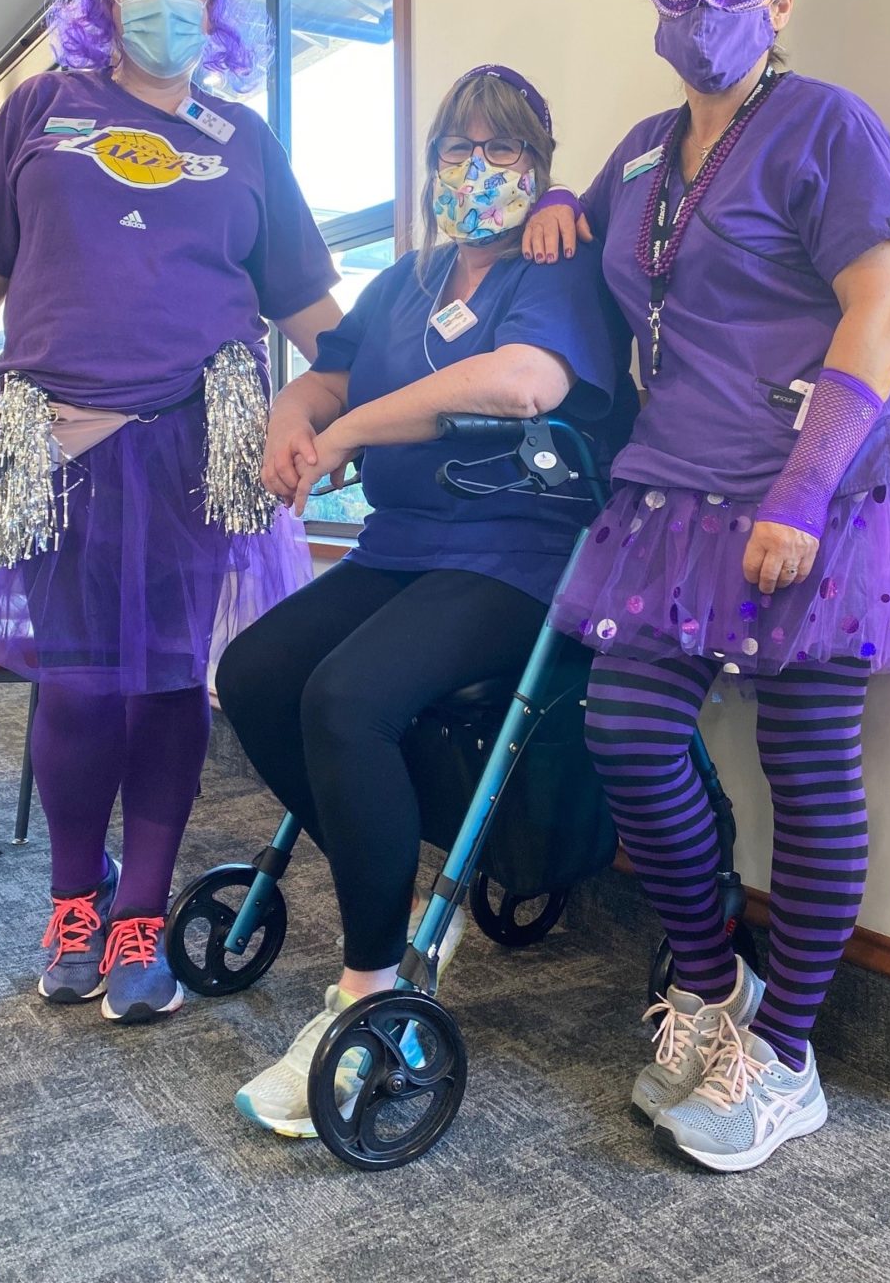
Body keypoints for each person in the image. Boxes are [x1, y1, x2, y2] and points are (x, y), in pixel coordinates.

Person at [523, 0, 890, 1171]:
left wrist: (801, 490)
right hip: (673, 494)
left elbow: (886, 304)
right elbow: (632, 260)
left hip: (828, 492)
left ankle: (786, 1059)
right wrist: (561, 204)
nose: (706, 0)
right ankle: (707, 982)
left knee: (808, 769)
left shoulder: (828, 124)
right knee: (626, 728)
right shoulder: (637, 149)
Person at [0, 0, 339, 1023]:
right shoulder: (40, 110)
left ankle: (142, 910)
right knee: (78, 682)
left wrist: (383, 390)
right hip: (56, 443)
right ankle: (72, 899)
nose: (163, 6)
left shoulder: (244, 142)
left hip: (200, 446)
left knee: (166, 681)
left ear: (214, 8)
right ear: (102, 5)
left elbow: (317, 316)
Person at [216, 64, 636, 1138]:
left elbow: (525, 384)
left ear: (541, 175)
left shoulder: (555, 264)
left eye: (507, 154)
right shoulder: (406, 279)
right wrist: (293, 419)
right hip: (401, 544)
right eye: (461, 150)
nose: (480, 171)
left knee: (347, 700)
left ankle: (372, 995)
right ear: (431, 166)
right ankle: (398, 885)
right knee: (256, 675)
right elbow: (332, 374)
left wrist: (349, 433)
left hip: (516, 556)